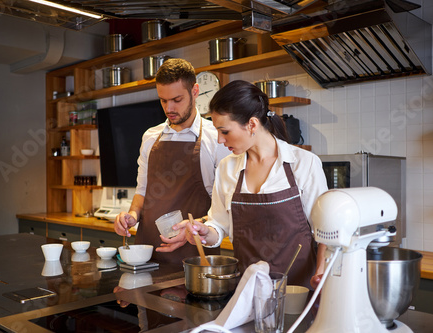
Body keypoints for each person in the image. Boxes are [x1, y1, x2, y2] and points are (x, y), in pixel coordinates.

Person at [164, 80, 327, 289]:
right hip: (247, 291)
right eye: (217, 133)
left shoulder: (303, 163)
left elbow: (325, 233)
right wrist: (205, 231)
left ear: (251, 124)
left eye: (225, 131)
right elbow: (219, 224)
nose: (221, 141)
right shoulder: (227, 168)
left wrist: (321, 274)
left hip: (298, 291)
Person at [114, 58, 230, 264]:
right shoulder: (150, 137)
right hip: (149, 250)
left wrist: (196, 227)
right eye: (163, 100)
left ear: (195, 91)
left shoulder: (217, 139)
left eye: (177, 99)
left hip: (194, 254)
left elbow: (224, 207)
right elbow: (142, 192)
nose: (169, 108)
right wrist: (131, 215)